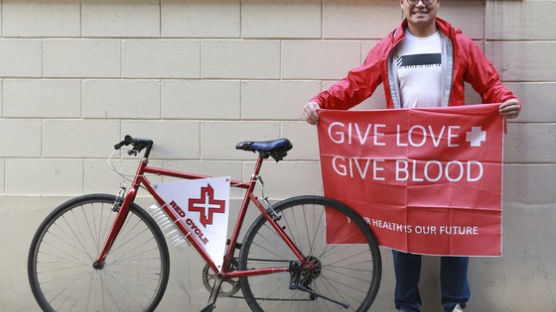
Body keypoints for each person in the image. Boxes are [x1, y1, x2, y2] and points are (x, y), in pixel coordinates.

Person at [303, 0, 521, 311]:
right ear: (402, 4)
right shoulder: (390, 47)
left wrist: (507, 100)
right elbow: (356, 85)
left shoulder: (458, 44)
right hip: (403, 157)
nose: (420, 3)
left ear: (438, 2)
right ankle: (407, 306)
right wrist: (321, 102)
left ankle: (455, 304)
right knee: (402, 229)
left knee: (454, 226)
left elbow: (490, 83)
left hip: (451, 156)